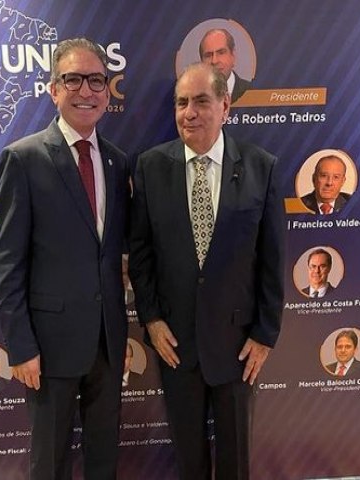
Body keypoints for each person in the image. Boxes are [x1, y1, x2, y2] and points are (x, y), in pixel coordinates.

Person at [129, 62, 284, 480]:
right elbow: (140, 254)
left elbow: (272, 259)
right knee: (188, 458)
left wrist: (265, 334)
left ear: (225, 106)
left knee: (235, 460)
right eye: (181, 103)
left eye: (200, 101)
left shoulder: (261, 167)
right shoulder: (149, 167)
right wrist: (152, 319)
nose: (189, 113)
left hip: (238, 345)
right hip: (175, 343)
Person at [0, 38, 130, 479]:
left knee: (104, 457)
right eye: (73, 79)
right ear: (53, 89)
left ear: (107, 91)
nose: (86, 91)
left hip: (107, 343)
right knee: (50, 462)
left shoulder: (117, 162)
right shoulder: (24, 159)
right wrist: (21, 347)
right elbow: (8, 263)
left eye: (96, 81)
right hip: (47, 349)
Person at [199, 28, 251, 103]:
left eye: (221, 53)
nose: (214, 61)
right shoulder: (193, 94)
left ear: (233, 56)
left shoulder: (252, 91)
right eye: (208, 55)